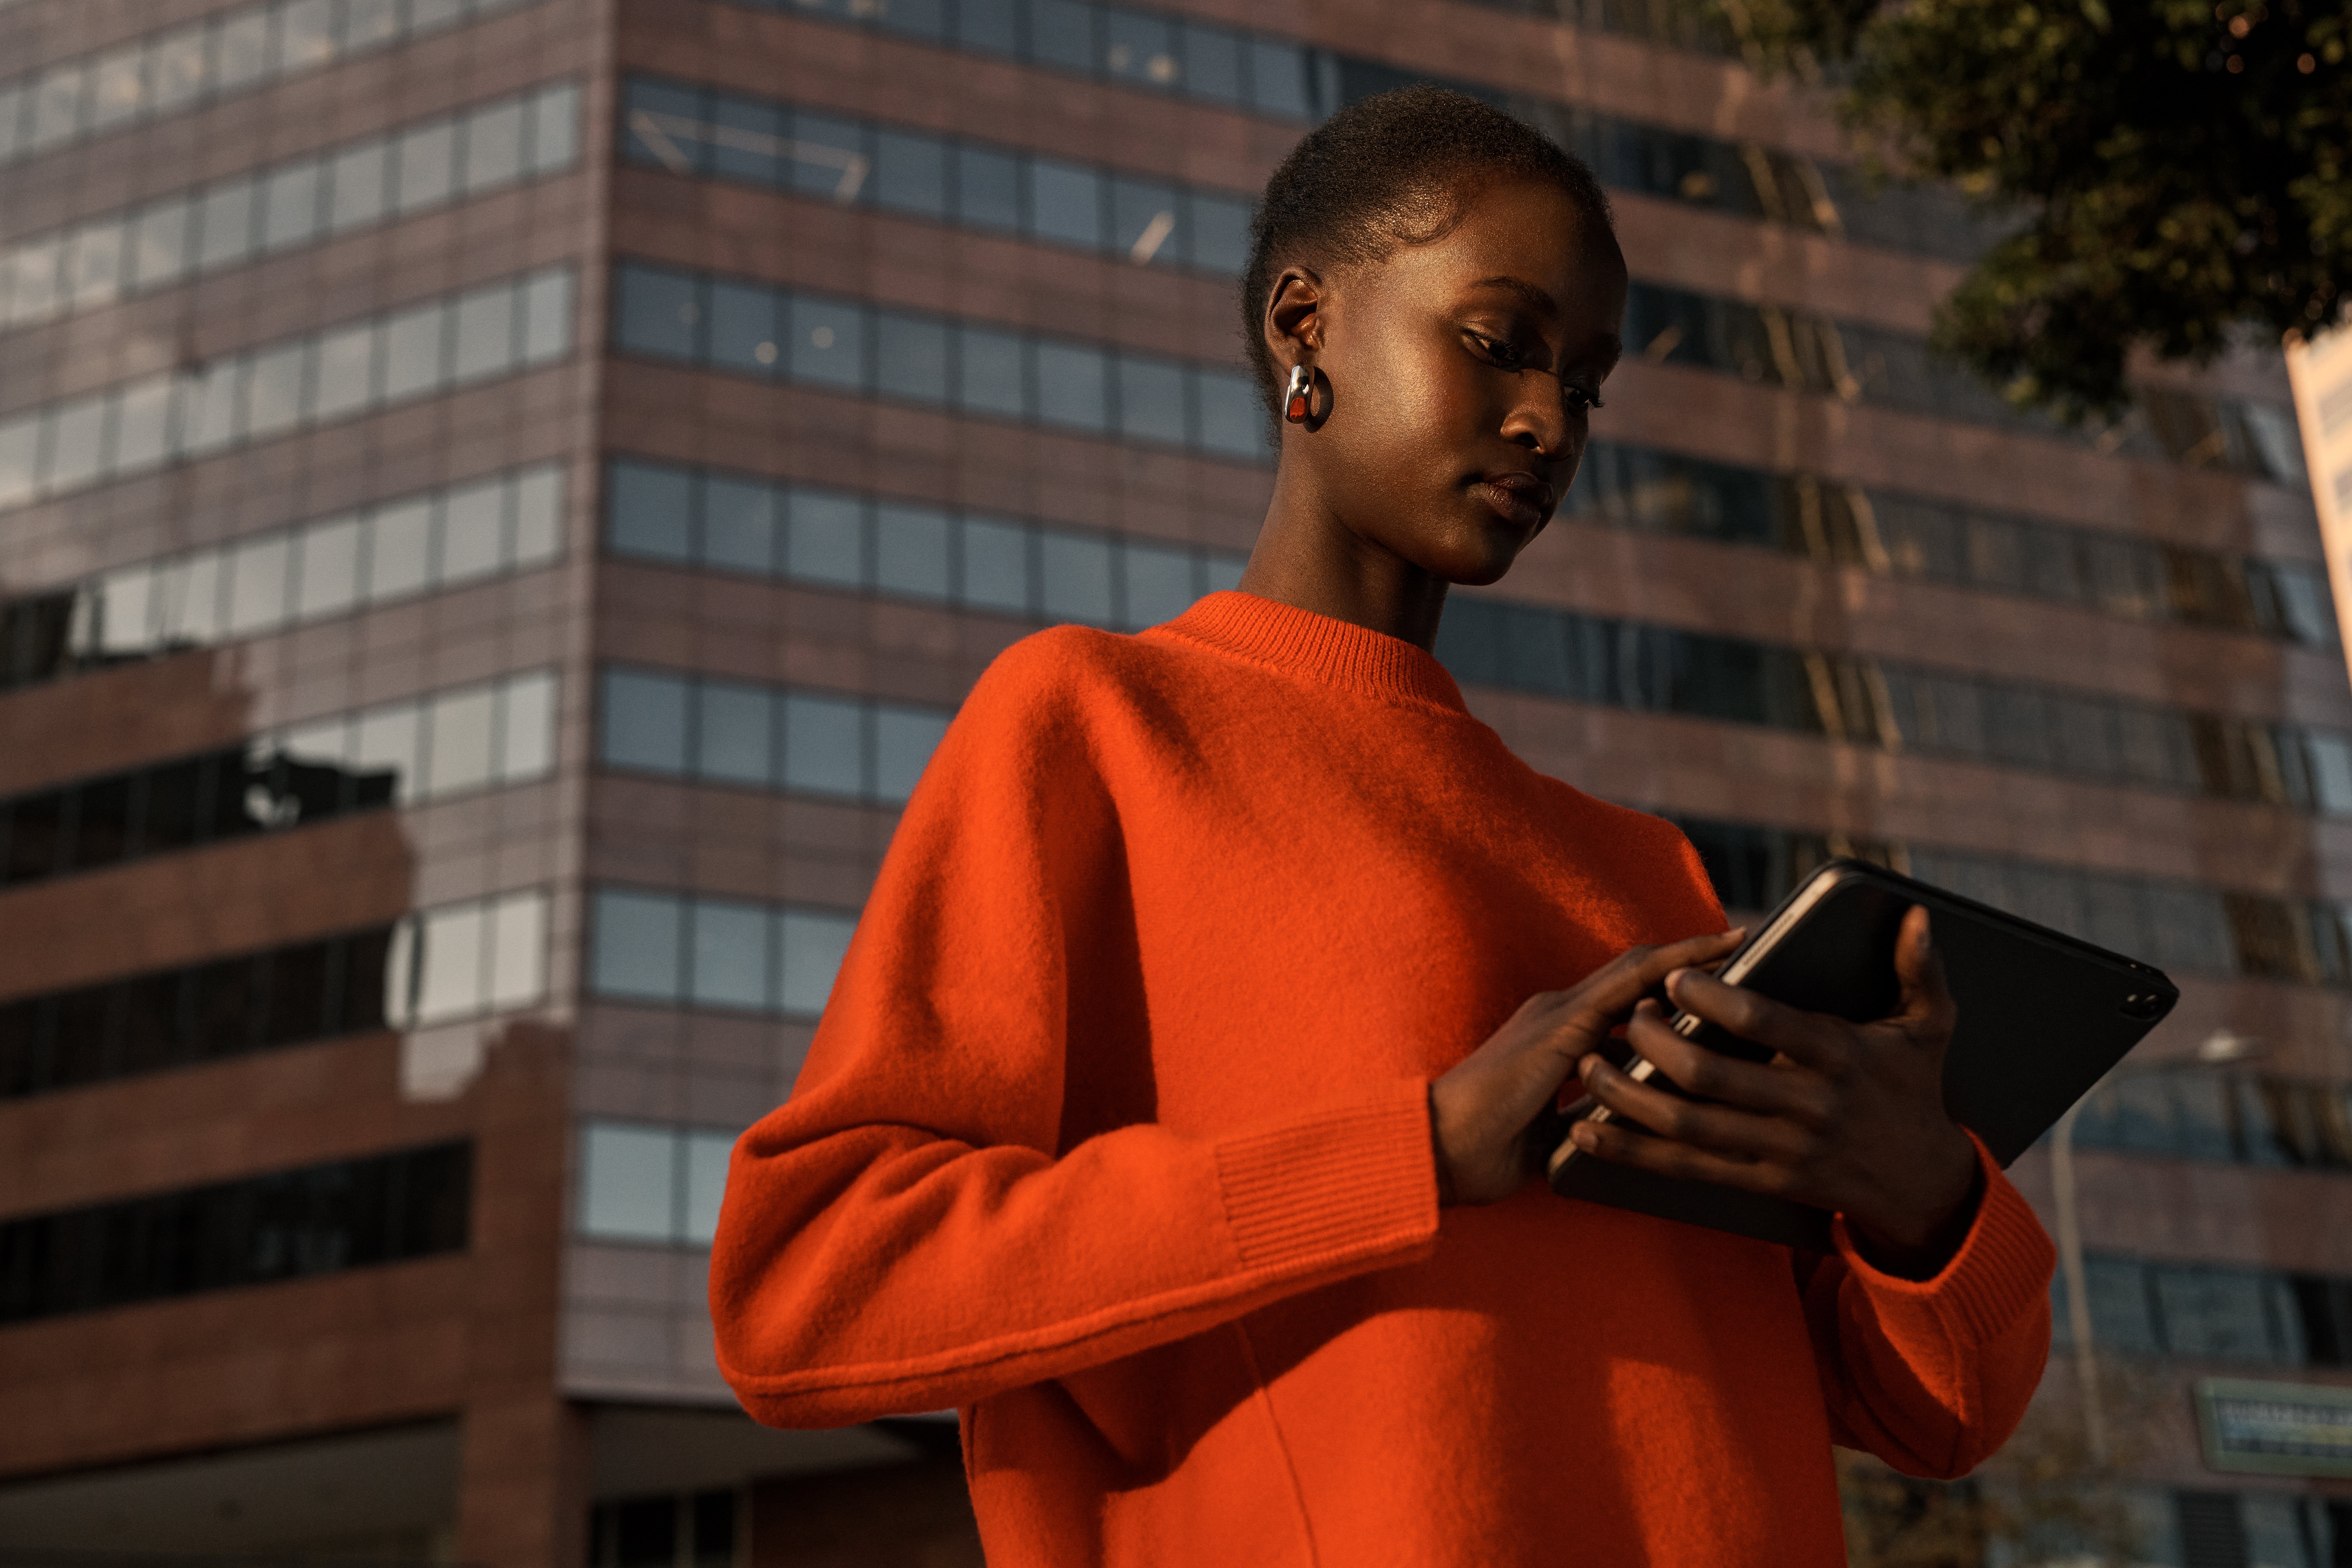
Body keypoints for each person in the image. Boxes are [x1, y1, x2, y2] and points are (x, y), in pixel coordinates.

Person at [710, 85, 2054, 1566]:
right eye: (1497, 345)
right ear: (1306, 326)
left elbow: (1941, 1421)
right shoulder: (1094, 723)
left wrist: (1916, 1194)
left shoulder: (1639, 866)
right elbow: (807, 1290)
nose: (1548, 421)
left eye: (1587, 385)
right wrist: (1406, 1153)